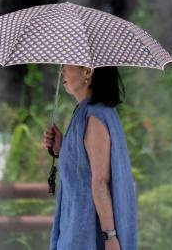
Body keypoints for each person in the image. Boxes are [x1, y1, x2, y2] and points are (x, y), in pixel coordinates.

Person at [43, 64, 137, 250]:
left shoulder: (94, 117)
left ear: (88, 71)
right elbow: (85, 167)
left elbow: (100, 181)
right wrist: (62, 148)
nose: (61, 71)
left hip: (87, 236)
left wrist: (110, 238)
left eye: (66, 65)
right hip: (76, 229)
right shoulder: (84, 111)